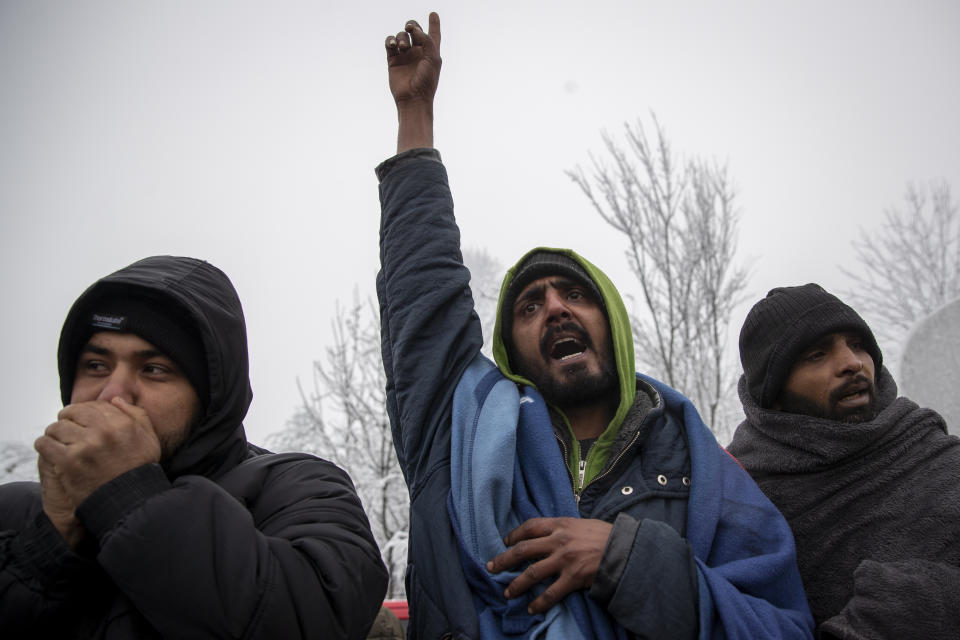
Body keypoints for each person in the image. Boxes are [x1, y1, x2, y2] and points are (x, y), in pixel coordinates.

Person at [377, 13, 813, 639]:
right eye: (528, 306)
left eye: (576, 294)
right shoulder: (457, 440)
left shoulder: (703, 468)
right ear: (511, 353)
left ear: (612, 324)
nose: (555, 308)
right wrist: (414, 114)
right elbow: (422, 299)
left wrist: (627, 561)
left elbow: (782, 628)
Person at [0, 256, 388, 639]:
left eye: (153, 369)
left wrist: (128, 497)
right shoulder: (14, 512)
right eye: (96, 365)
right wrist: (51, 546)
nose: (112, 394)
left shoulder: (297, 488)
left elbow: (317, 618)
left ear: (211, 398)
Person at [728, 283, 960, 639]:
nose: (852, 363)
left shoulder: (934, 452)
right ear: (773, 395)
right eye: (817, 354)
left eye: (857, 345)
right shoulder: (744, 501)